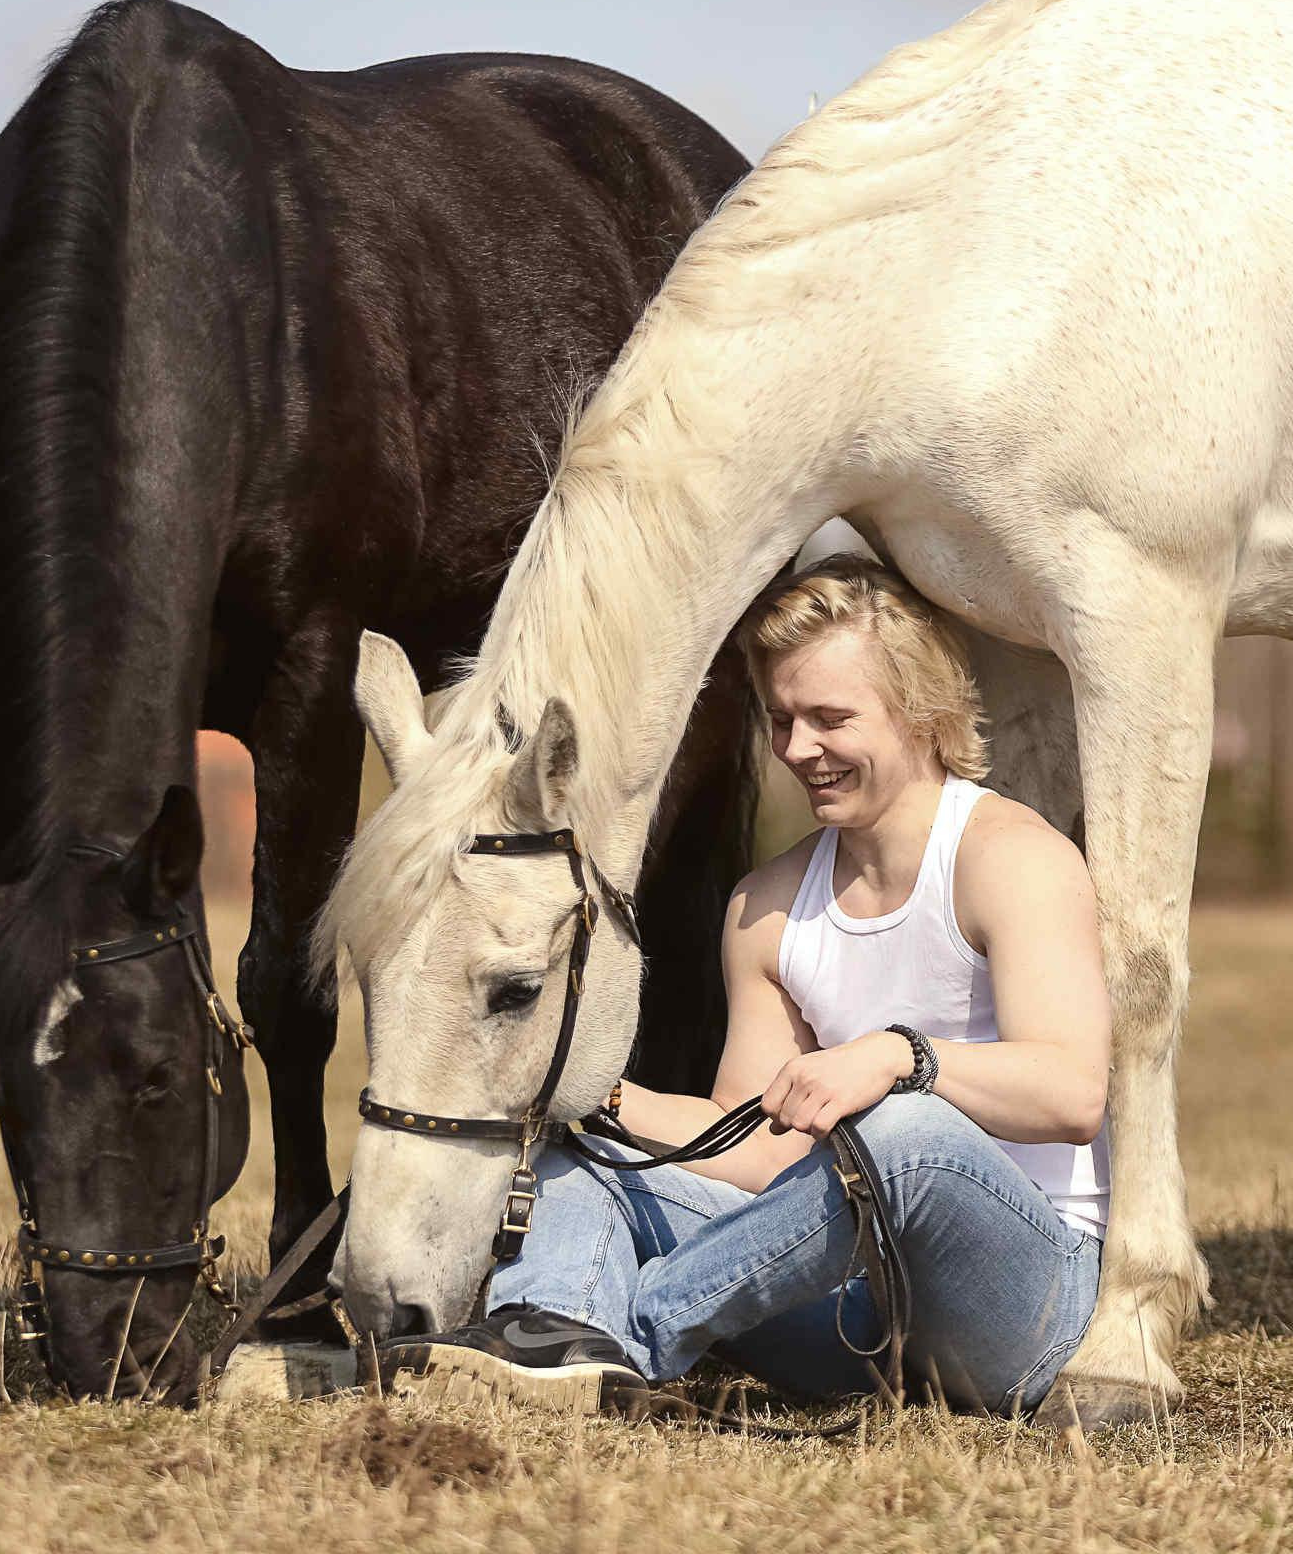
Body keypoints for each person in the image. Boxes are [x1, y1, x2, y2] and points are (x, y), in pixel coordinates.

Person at [413, 555, 1113, 1416]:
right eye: (781, 720)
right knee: (583, 1144)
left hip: (1025, 1305)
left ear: (921, 709)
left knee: (900, 1131)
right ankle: (553, 1345)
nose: (797, 749)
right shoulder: (766, 905)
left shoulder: (1013, 858)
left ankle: (636, 1327)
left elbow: (1074, 1094)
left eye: (829, 718)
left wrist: (900, 1058)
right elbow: (750, 1143)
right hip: (852, 1314)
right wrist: (596, 1100)